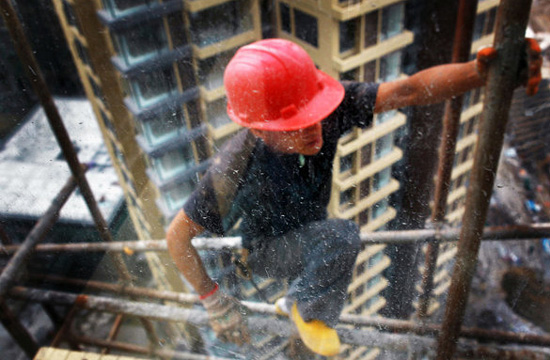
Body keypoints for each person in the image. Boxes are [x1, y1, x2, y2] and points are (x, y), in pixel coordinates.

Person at [166, 38, 542, 356]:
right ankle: (301, 307)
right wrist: (215, 302)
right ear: (260, 129)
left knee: (332, 240)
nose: (316, 129)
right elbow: (177, 237)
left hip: (310, 233)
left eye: (316, 114)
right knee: (342, 236)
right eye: (298, 125)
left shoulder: (322, 108)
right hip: (267, 249)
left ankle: (298, 301)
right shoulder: (235, 166)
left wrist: (480, 74)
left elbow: (407, 90)